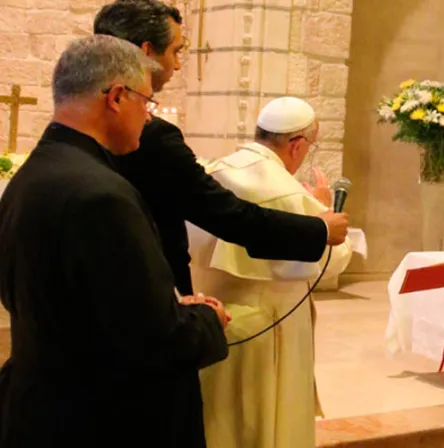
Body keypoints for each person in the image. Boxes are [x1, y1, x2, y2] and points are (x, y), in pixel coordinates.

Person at [0, 35, 231, 448]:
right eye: (146, 101)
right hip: (103, 420)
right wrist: (208, 321)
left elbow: (60, 299)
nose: (148, 115)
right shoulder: (103, 195)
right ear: (117, 97)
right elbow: (159, 339)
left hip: (40, 407)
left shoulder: (30, 176)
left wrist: (166, 303)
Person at [93, 0, 349, 296]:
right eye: (176, 51)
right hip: (149, 293)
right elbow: (229, 216)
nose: (177, 65)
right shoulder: (154, 138)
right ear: (147, 51)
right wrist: (320, 229)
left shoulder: (78, 130)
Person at [189, 97, 353, 448]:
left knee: (220, 420)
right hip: (270, 331)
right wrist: (323, 206)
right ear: (296, 144)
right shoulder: (289, 192)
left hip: (211, 317)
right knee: (265, 424)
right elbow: (331, 260)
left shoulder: (212, 172)